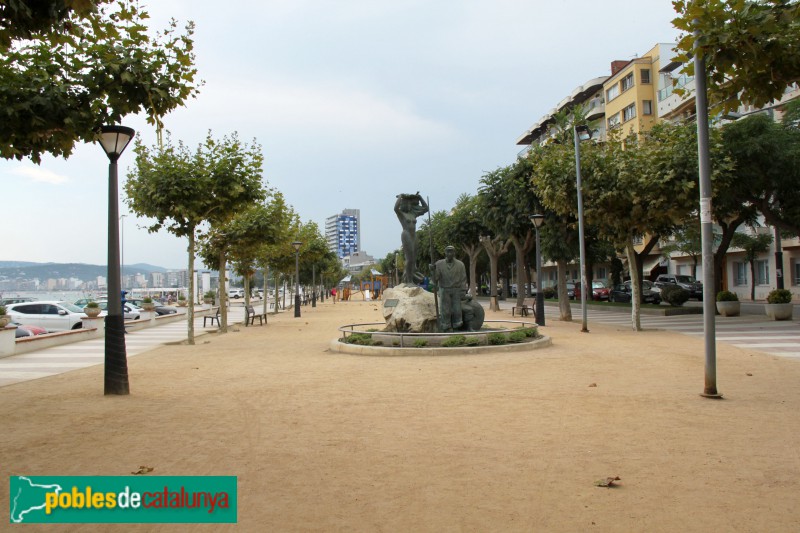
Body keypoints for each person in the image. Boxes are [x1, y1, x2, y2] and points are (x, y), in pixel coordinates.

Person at [394, 192, 429, 285]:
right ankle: (409, 281)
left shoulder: (413, 213)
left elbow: (426, 208)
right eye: (407, 204)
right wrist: (401, 196)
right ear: (403, 205)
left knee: (413, 259)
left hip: (414, 236)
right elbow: (395, 208)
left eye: (410, 204)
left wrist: (420, 197)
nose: (409, 206)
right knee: (409, 259)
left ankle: (410, 279)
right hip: (406, 235)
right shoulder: (401, 214)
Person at [431, 245, 467, 332]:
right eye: (448, 251)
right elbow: (435, 278)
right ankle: (446, 326)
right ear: (445, 253)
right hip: (444, 289)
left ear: (454, 253)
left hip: (456, 289)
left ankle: (457, 325)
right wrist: (433, 270)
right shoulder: (439, 264)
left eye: (451, 251)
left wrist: (463, 290)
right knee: (445, 310)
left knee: (457, 309)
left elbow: (463, 278)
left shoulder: (460, 264)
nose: (450, 253)